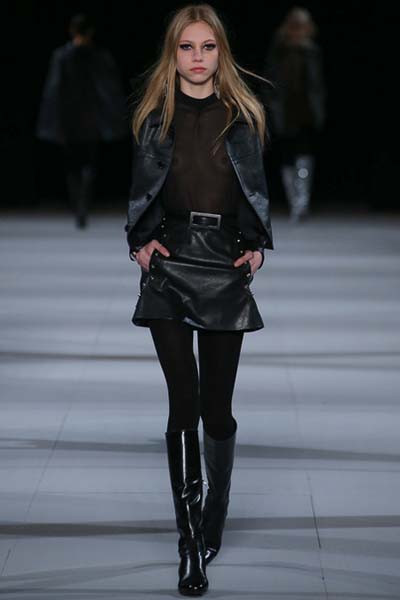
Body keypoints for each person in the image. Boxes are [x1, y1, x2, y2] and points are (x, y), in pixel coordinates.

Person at [125, 4, 273, 596]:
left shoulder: (243, 116)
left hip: (222, 261)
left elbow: (254, 189)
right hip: (170, 261)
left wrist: (256, 247)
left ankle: (217, 508)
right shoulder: (153, 117)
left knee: (217, 408)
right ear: (173, 52)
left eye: (207, 47)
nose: (197, 57)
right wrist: (139, 243)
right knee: (182, 402)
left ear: (221, 53)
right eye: (187, 47)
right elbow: (141, 189)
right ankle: (189, 542)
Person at [36, 13, 128, 228]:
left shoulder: (62, 56)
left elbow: (54, 89)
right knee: (87, 163)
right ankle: (82, 207)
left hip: (69, 118)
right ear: (90, 32)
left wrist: (53, 120)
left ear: (72, 31)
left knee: (73, 165)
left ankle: (79, 206)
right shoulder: (99, 56)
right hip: (91, 117)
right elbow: (110, 89)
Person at [261, 6, 326, 222]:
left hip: (305, 109)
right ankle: (294, 203)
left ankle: (302, 203)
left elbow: (317, 83)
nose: (298, 29)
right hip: (284, 110)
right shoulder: (279, 50)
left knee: (304, 153)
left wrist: (319, 107)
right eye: (295, 25)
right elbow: (270, 79)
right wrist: (271, 103)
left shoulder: (312, 51)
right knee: (287, 155)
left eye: (302, 25)